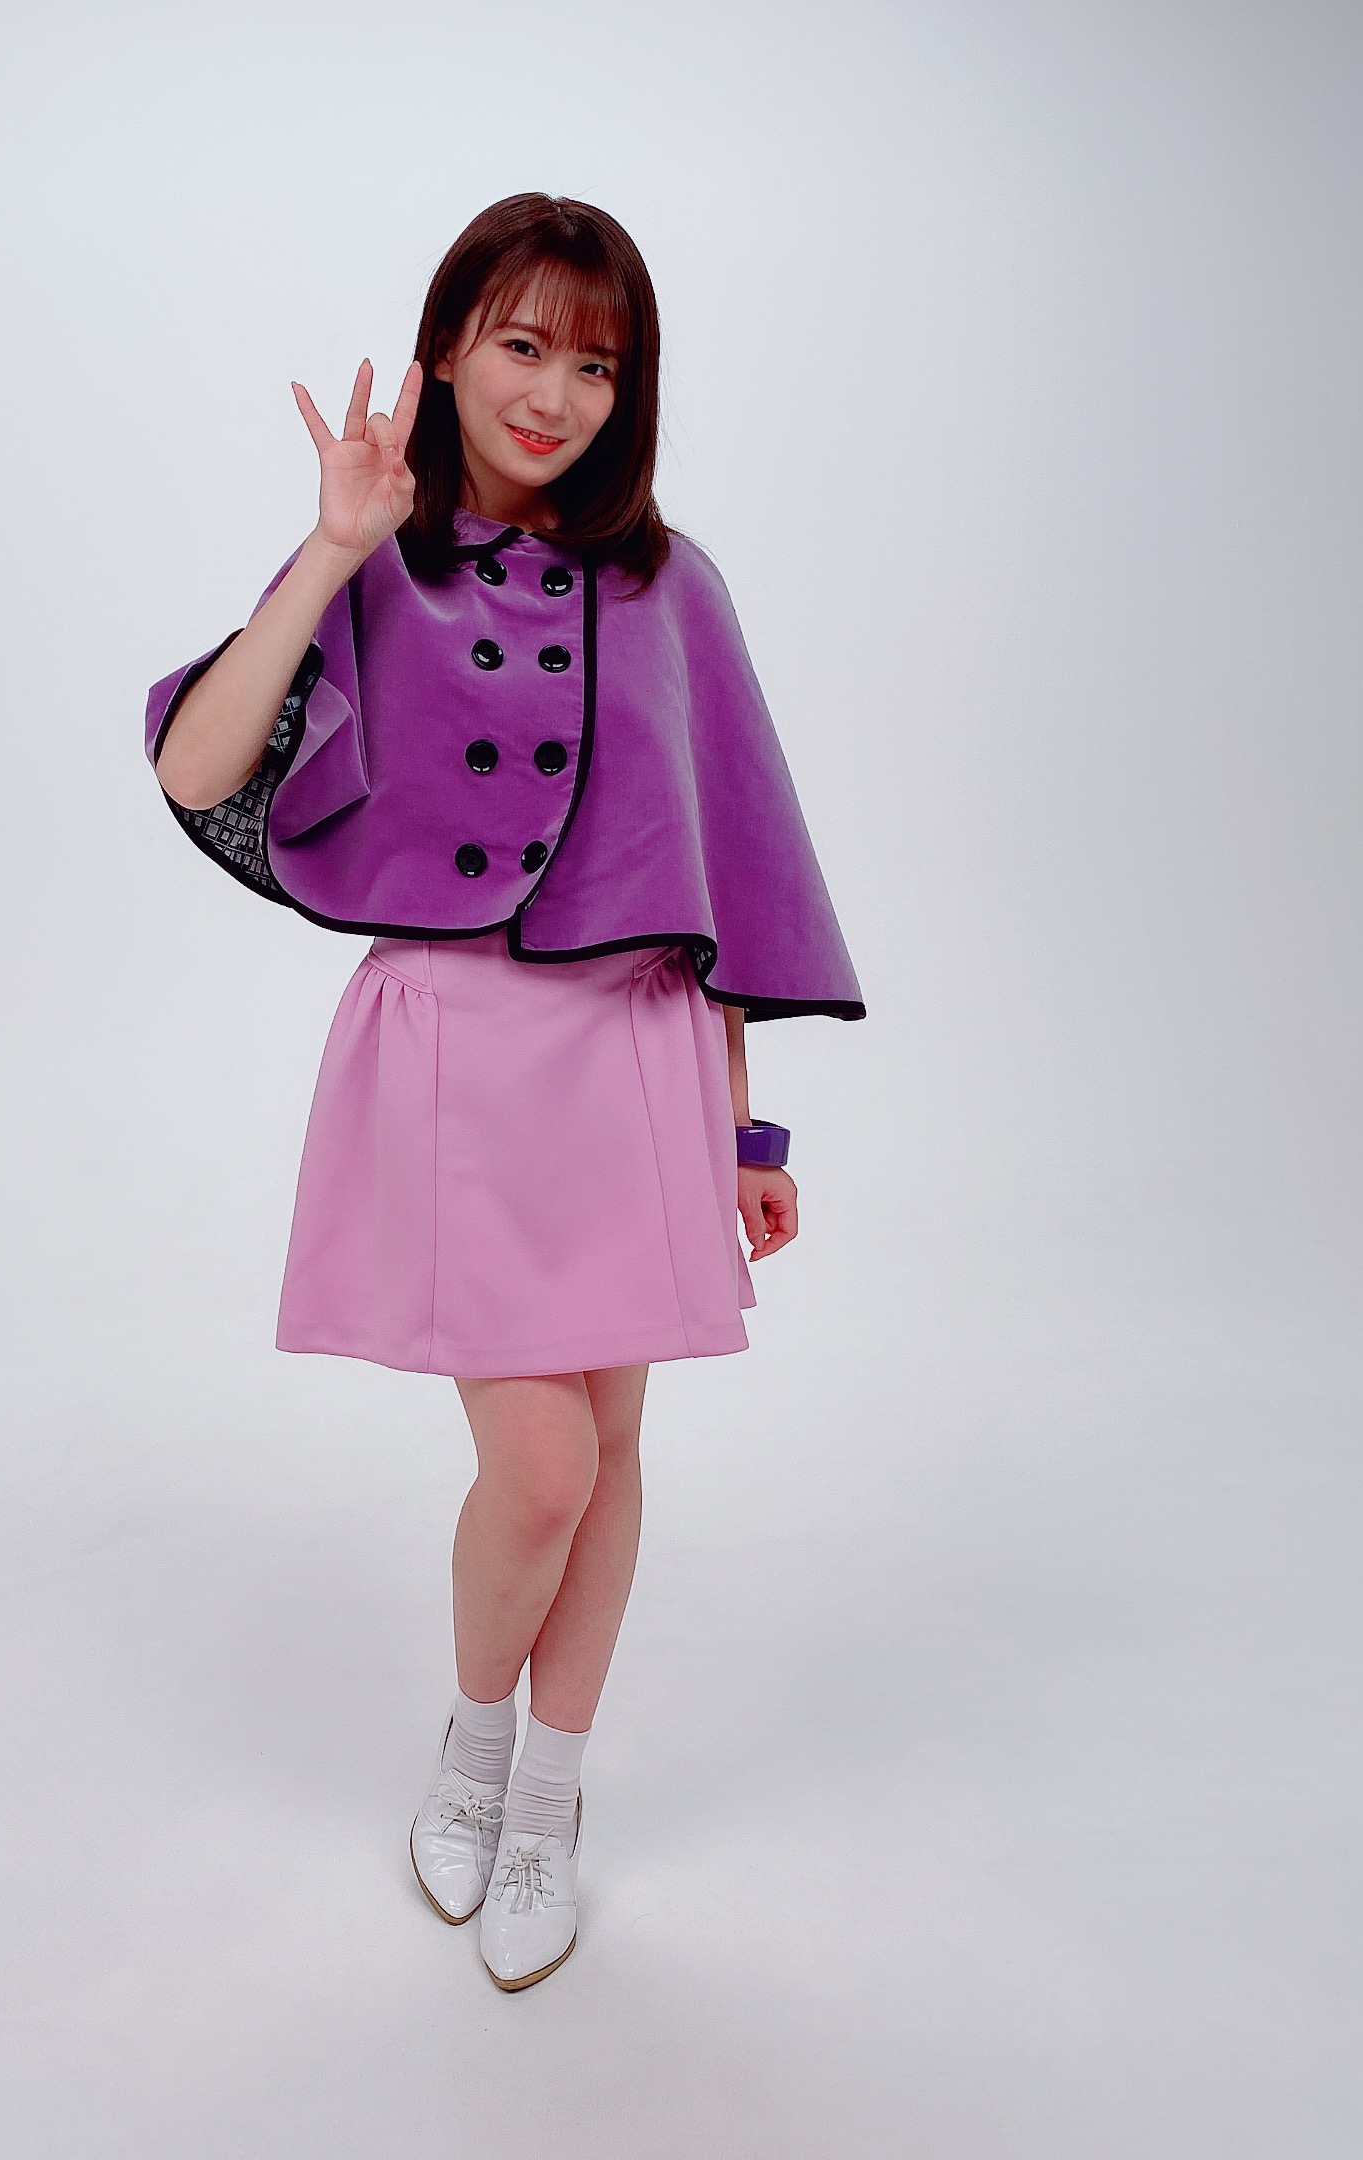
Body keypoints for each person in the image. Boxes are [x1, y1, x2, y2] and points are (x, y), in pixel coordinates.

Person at [142, 193, 863, 1991]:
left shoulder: (674, 589)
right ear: (450, 349)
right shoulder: (374, 558)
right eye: (522, 346)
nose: (554, 396)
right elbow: (199, 765)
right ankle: (471, 1755)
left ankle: (547, 1800)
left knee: (611, 1459)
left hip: (634, 1052)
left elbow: (713, 878)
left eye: (596, 366)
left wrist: (747, 1127)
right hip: (457, 1054)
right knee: (539, 1470)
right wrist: (331, 551)